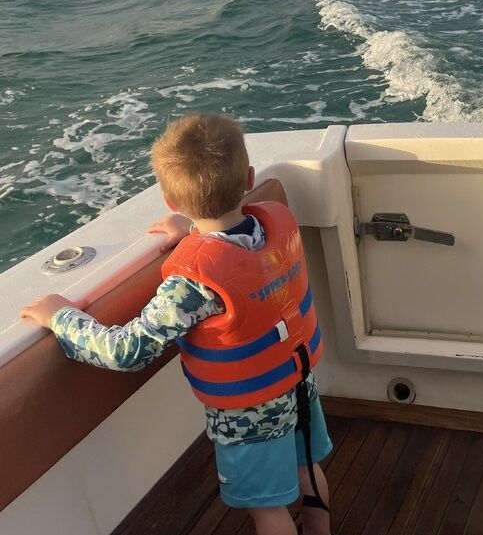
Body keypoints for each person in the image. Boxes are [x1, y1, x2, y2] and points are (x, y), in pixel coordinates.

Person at [21, 113, 331, 535]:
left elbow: (126, 350)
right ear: (249, 179)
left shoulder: (192, 285)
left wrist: (60, 316)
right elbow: (238, 256)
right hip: (297, 379)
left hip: (248, 412)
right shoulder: (270, 227)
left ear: (170, 201)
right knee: (306, 470)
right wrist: (192, 231)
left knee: (268, 508)